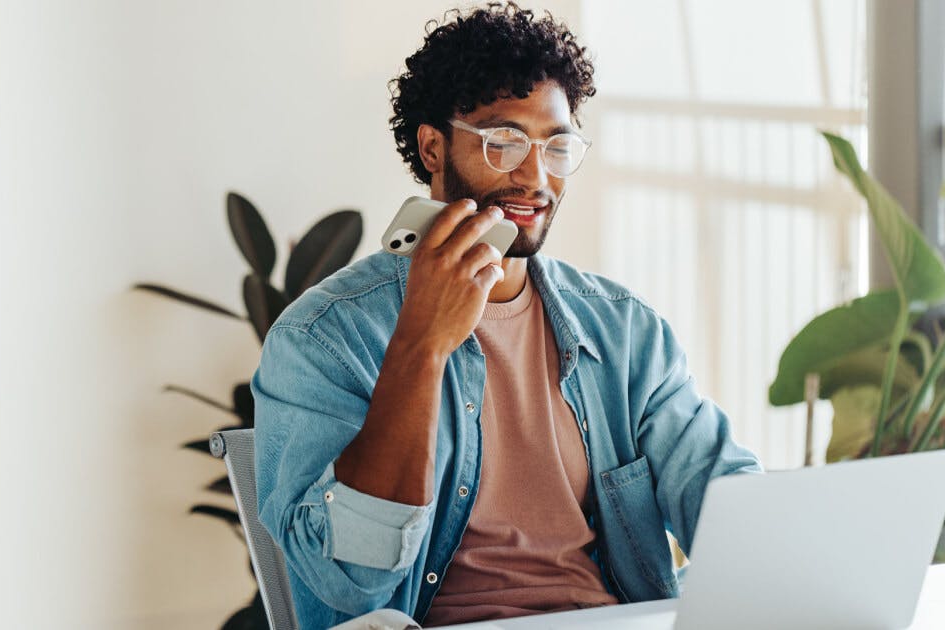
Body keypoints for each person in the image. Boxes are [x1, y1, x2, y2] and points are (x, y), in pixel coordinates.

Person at [251, 3, 761, 627]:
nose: (534, 175)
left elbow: (727, 501)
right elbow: (349, 582)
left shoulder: (625, 332)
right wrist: (421, 343)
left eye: (556, 145)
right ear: (433, 147)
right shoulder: (323, 340)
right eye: (503, 142)